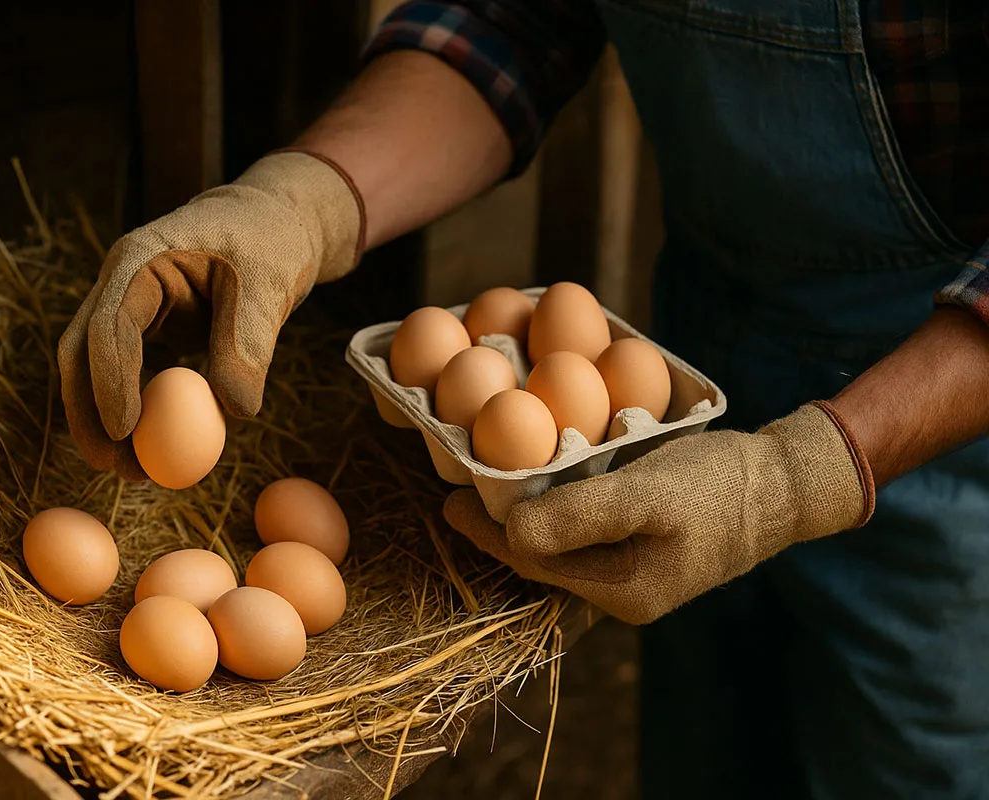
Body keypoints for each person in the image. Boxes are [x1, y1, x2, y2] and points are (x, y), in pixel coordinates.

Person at [58, 2, 989, 796]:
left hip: (941, 405)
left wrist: (800, 472)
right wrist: (302, 203)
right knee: (708, 755)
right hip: (692, 391)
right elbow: (508, 25)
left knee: (903, 759)